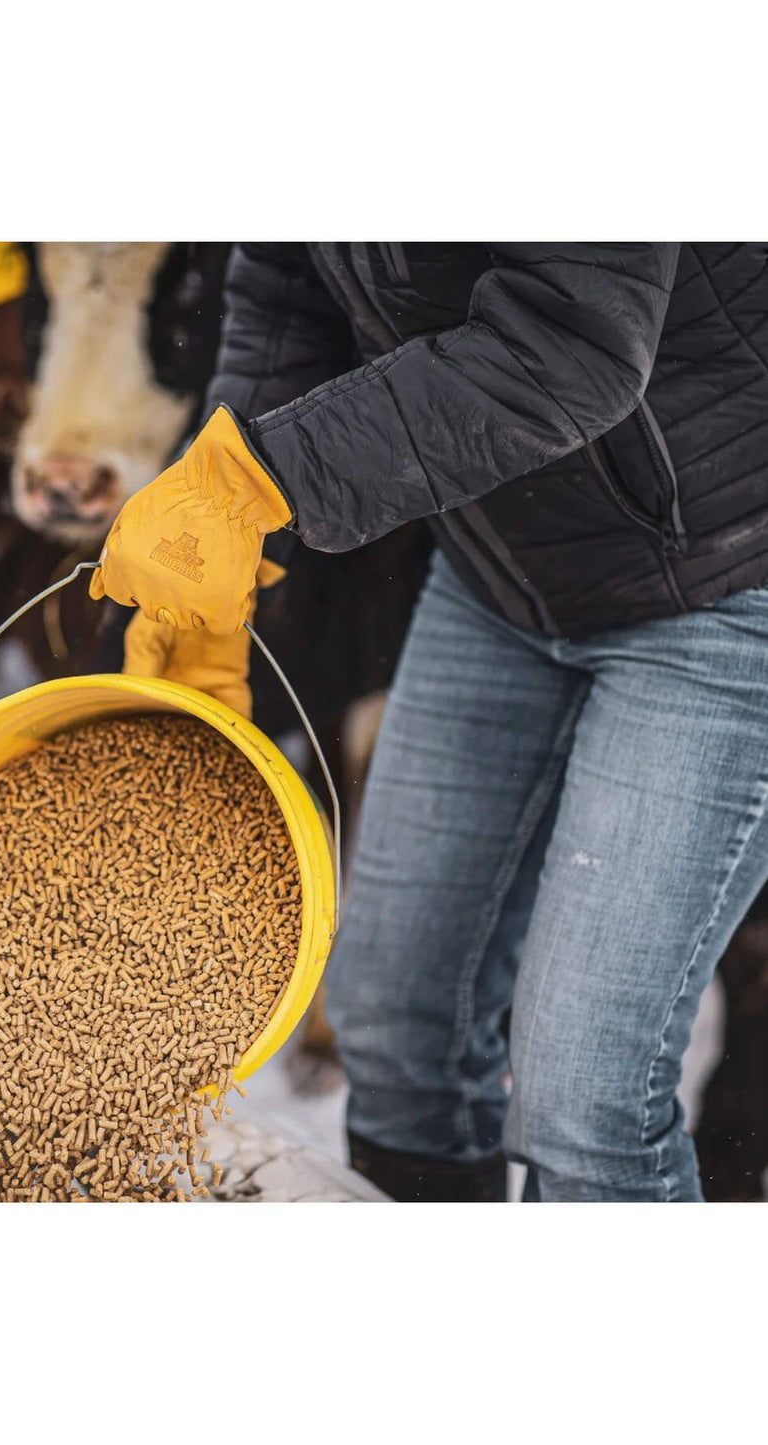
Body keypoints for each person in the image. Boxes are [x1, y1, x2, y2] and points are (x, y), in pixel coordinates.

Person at [92, 243, 768, 1202]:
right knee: (398, 1024)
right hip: (501, 572)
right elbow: (286, 285)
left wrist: (261, 481)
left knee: (584, 1093)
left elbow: (569, 344)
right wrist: (224, 524)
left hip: (725, 574)